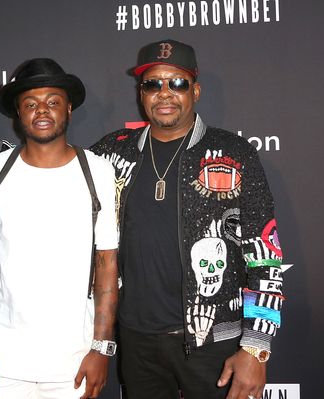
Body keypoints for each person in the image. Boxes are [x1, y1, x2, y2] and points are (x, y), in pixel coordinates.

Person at [89, 39, 286, 399]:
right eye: (153, 83)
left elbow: (266, 256)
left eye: (177, 82)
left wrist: (257, 347)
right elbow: (53, 171)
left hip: (216, 342)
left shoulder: (235, 154)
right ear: (141, 93)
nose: (165, 93)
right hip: (137, 339)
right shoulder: (112, 149)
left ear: (195, 90)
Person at [0, 58, 119, 399]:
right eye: (31, 104)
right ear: (18, 114)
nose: (42, 111)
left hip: (75, 361)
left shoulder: (98, 172)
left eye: (52, 102)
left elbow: (107, 263)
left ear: (68, 109)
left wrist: (101, 347)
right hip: (2, 360)